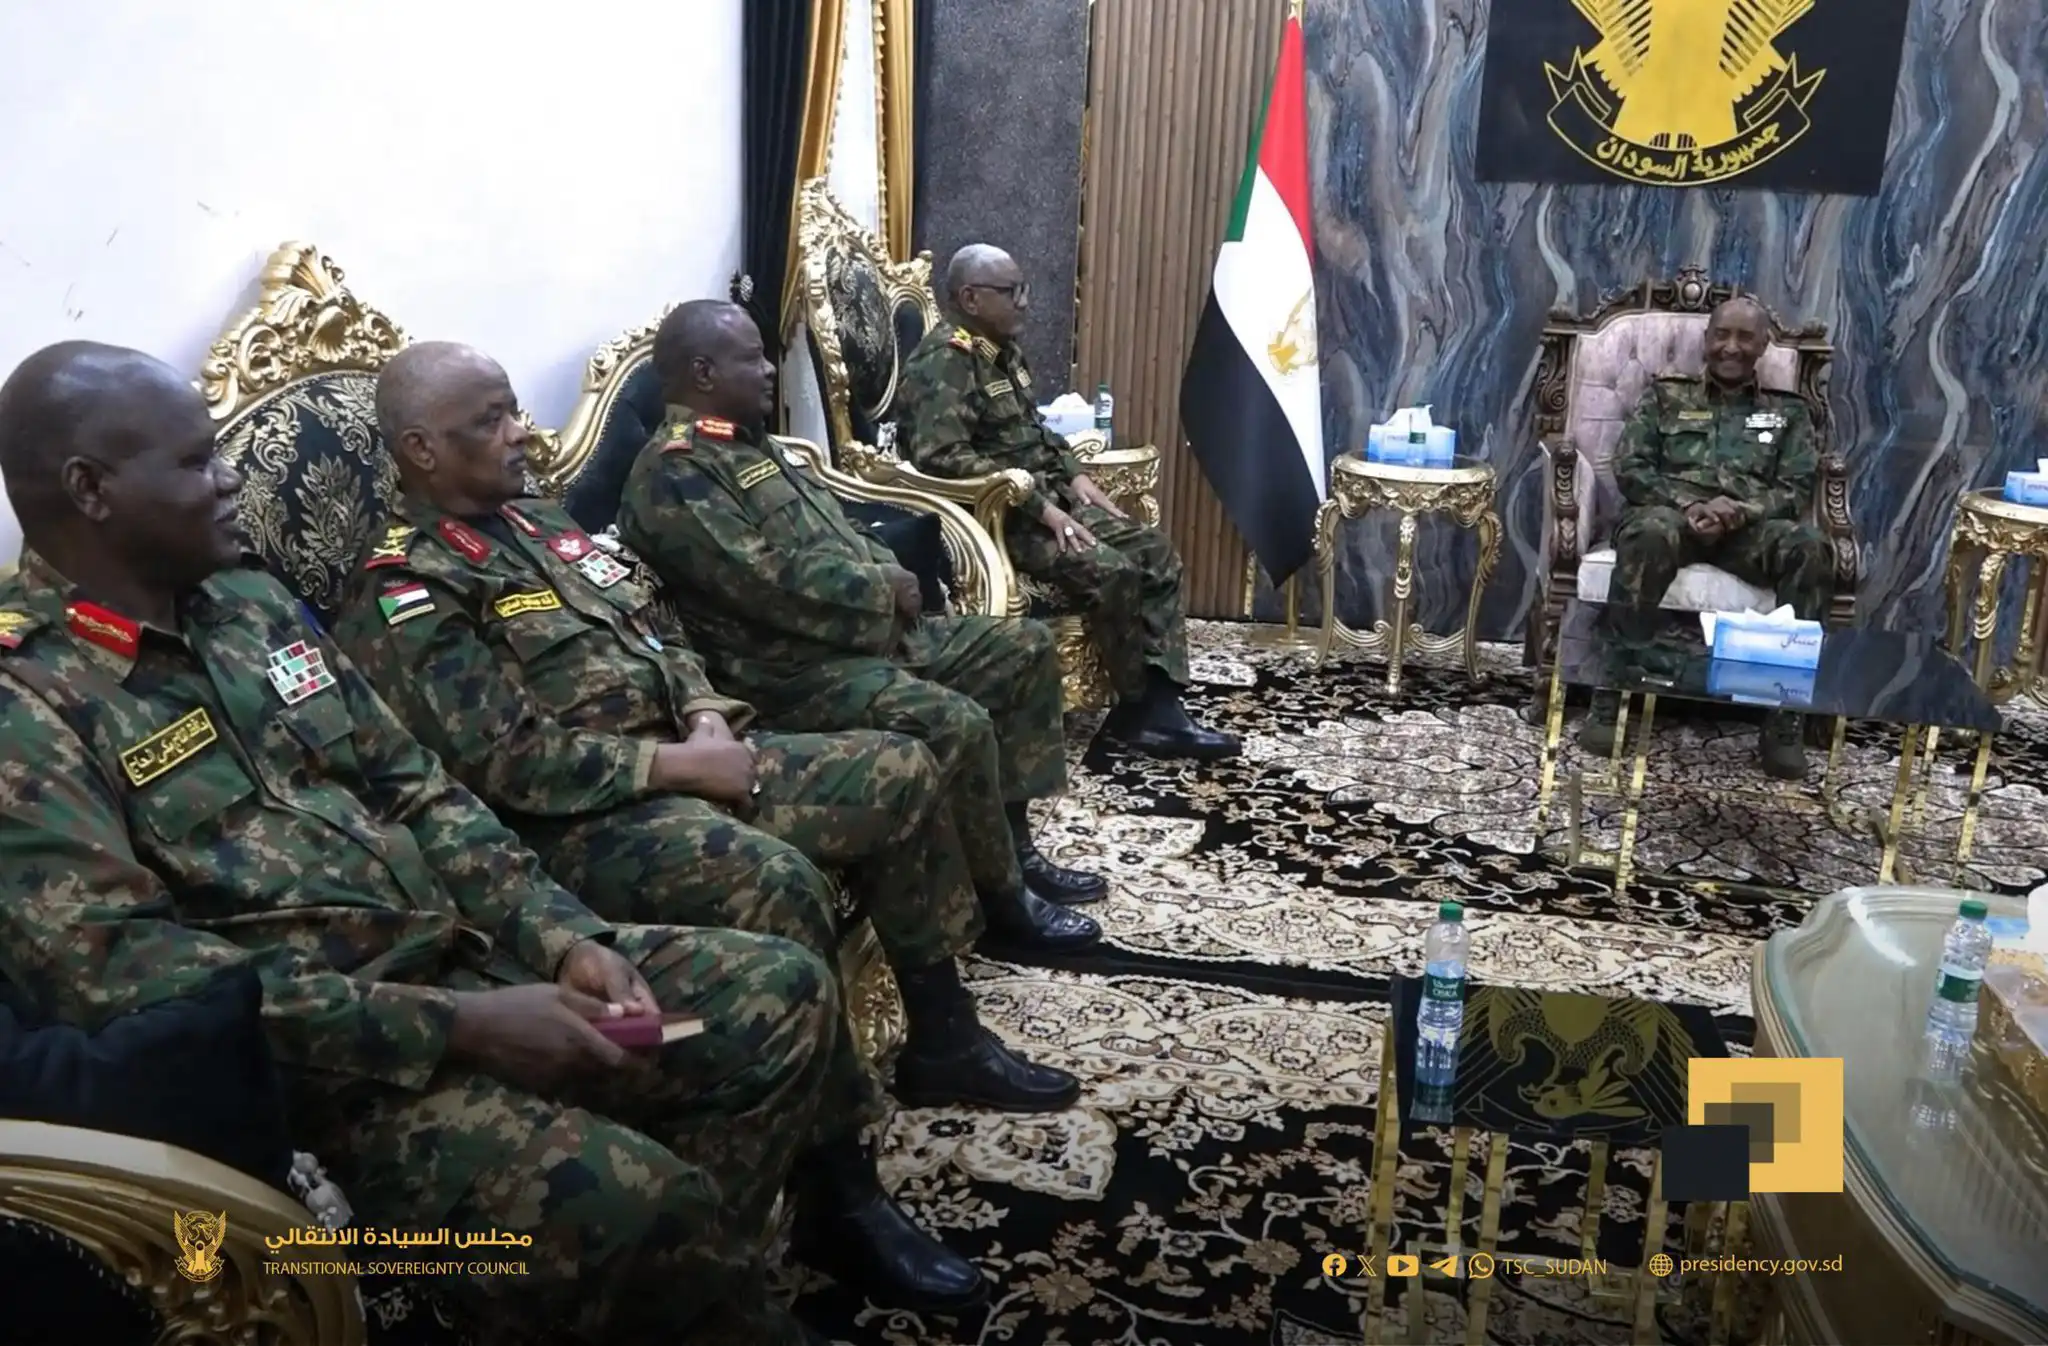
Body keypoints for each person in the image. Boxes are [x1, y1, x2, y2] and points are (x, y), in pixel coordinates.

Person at [333, 342, 1089, 1311]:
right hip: (576, 824)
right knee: (773, 880)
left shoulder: (539, 523)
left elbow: (655, 631)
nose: (521, 432)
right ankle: (839, 1190)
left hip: (692, 754)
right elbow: (503, 764)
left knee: (901, 770)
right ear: (420, 451)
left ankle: (942, 1037)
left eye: (514, 408)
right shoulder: (409, 589)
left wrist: (701, 713)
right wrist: (672, 767)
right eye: (491, 420)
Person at [614, 300, 1105, 952]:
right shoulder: (677, 472)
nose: (768, 370)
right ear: (703, 372)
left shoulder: (746, 442)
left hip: (861, 637)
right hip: (788, 675)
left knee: (1022, 648)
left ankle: (1015, 852)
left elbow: (837, 523)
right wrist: (882, 588)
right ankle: (1003, 903)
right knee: (954, 722)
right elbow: (765, 580)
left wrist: (886, 568)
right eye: (753, 359)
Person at [892, 244, 1238, 760]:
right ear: (970, 298)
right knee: (1113, 572)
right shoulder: (945, 362)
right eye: (1010, 291)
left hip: (1048, 500)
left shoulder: (1001, 351)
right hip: (999, 519)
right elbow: (940, 458)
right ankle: (1137, 708)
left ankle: (1162, 707)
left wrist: (1075, 476)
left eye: (1023, 288)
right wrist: (1040, 506)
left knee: (1156, 553)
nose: (1024, 301)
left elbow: (1033, 431)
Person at [1582, 296, 1835, 779]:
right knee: (1648, 534)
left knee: (1809, 548)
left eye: (1744, 337)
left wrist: (1739, 511)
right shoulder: (1666, 397)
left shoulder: (1787, 413)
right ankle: (1612, 696)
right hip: (1671, 517)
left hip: (1748, 531)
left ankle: (1783, 720)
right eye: (1722, 334)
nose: (1731, 347)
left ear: (1762, 346)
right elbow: (1631, 467)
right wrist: (1688, 505)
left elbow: (1795, 487)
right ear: (1707, 339)